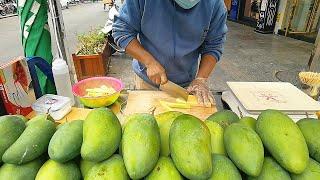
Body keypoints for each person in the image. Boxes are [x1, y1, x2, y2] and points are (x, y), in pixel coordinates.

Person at [113, 0, 228, 105]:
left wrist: (201, 79)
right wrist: (149, 62)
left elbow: (214, 44)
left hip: (187, 85)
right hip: (146, 82)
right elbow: (122, 31)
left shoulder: (215, 4)